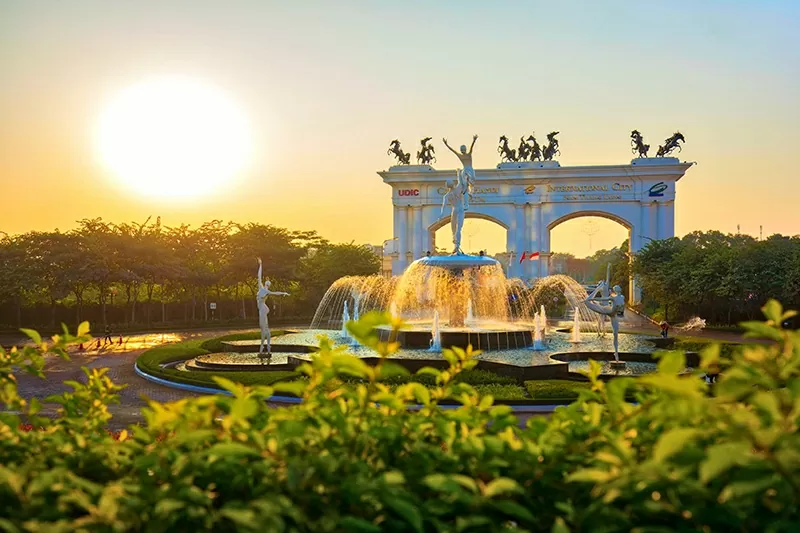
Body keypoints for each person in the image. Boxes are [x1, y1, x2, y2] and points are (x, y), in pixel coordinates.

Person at [256, 258, 290, 355]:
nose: (267, 284)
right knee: (264, 328)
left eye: (268, 284)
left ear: (268, 285)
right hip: (261, 308)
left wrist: (284, 293)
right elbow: (259, 276)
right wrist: (260, 265)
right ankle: (266, 347)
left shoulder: (266, 291)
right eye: (267, 283)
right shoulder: (261, 288)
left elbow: (276, 293)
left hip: (262, 309)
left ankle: (265, 347)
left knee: (264, 328)